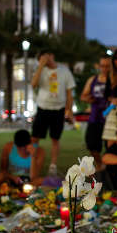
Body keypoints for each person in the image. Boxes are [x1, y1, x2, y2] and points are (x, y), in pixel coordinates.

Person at [30, 48, 76, 176]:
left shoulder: (64, 71)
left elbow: (69, 93)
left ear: (52, 55)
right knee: (35, 137)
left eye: (46, 57)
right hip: (42, 108)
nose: (45, 60)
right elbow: (33, 84)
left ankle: (53, 166)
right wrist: (40, 66)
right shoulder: (41, 70)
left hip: (58, 109)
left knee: (55, 138)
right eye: (41, 59)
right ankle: (31, 162)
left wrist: (69, 110)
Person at [80, 54, 111, 171]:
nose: (105, 69)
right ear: (98, 66)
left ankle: (110, 168)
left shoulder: (114, 80)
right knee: (92, 146)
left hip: (110, 119)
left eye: (107, 66)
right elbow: (83, 95)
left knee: (110, 147)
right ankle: (100, 166)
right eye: (102, 66)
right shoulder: (93, 80)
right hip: (95, 118)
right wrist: (89, 98)